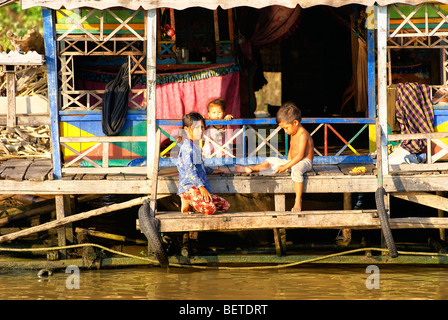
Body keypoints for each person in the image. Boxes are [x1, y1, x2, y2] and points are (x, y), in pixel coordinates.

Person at [234, 102, 314, 212]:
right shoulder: (293, 132)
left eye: (286, 128)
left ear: (295, 122)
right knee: (272, 160)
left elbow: (300, 155)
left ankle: (298, 200)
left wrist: (286, 166)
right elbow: (291, 148)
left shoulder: (302, 134)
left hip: (305, 162)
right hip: (292, 161)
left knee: (296, 170)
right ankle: (251, 168)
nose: (285, 131)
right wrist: (286, 162)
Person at [177, 112, 230, 215]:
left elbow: (199, 167)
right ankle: (187, 199)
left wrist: (212, 171)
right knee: (210, 209)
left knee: (225, 206)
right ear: (186, 129)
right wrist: (201, 187)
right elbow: (190, 170)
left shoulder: (195, 147)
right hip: (190, 186)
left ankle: (194, 201)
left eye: (202, 127)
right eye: (196, 128)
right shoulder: (187, 147)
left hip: (200, 186)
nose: (200, 131)